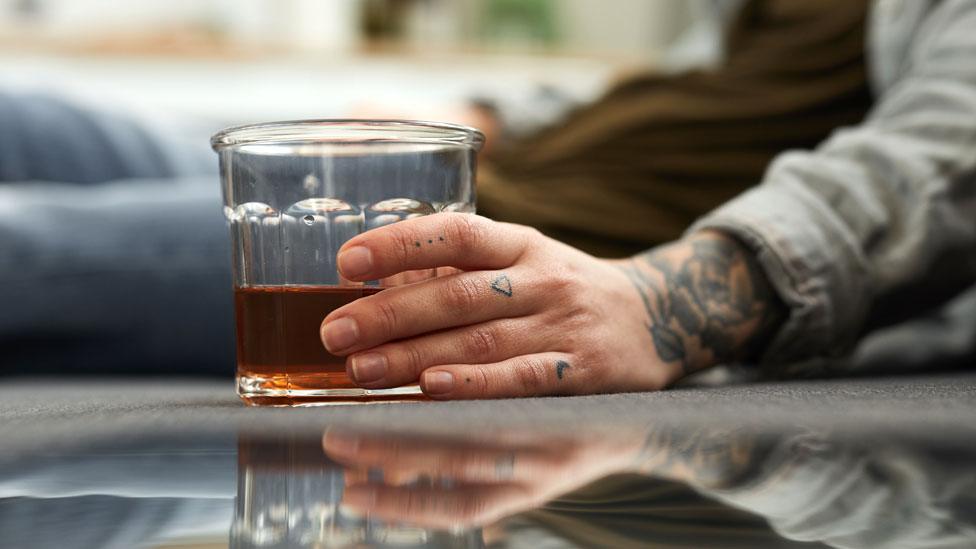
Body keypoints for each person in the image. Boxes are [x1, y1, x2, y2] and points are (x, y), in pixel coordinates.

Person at [3, 0, 975, 395]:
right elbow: (670, 105)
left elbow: (940, 156)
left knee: (29, 246)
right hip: (465, 172)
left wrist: (661, 301)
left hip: (530, 252)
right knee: (31, 117)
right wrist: (487, 111)